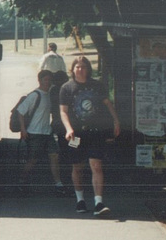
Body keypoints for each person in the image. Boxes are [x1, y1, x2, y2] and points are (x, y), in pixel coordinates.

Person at [59, 56, 120, 216]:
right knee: (77, 167)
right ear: (72, 69)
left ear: (88, 69)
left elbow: (108, 104)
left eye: (83, 67)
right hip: (75, 135)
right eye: (77, 67)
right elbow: (63, 112)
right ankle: (80, 200)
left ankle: (98, 203)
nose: (80, 69)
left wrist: (116, 121)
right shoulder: (66, 88)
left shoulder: (97, 85)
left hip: (95, 133)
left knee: (96, 166)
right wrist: (68, 128)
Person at [17, 69, 67, 196]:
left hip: (47, 132)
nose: (48, 82)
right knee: (33, 160)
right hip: (35, 133)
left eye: (50, 80)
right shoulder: (34, 95)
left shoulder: (49, 95)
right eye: (45, 80)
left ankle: (58, 184)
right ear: (39, 80)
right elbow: (20, 111)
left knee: (54, 156)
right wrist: (23, 129)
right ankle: (21, 181)